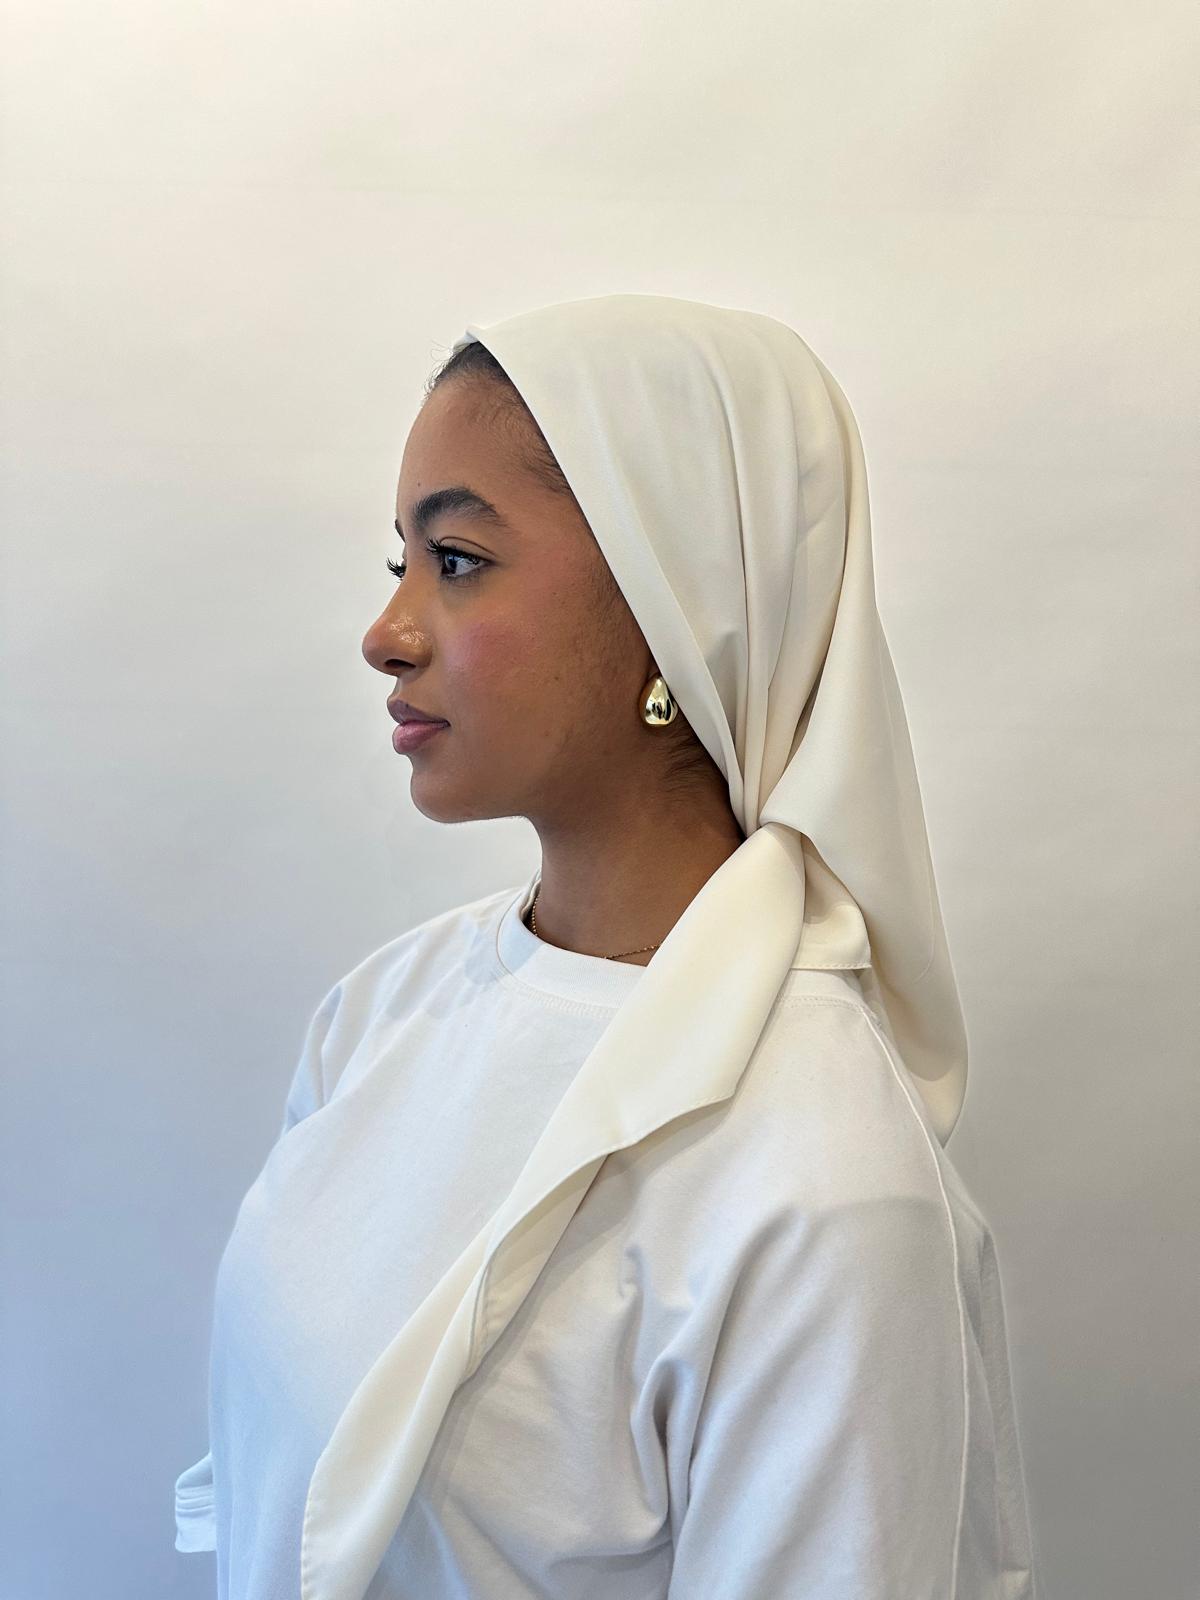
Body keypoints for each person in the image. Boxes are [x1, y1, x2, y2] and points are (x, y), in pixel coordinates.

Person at [174, 293, 1038, 1599]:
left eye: (456, 559)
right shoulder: (383, 1015)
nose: (387, 632)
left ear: (670, 603)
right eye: (398, 564)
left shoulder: (819, 1188)